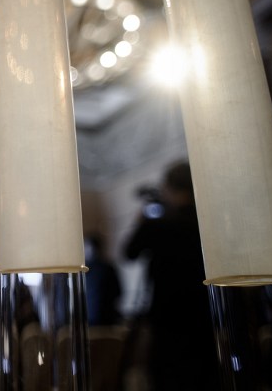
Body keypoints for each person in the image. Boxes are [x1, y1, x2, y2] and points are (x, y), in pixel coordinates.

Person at [123, 160, 219, 391]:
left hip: (166, 319)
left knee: (168, 377)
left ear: (168, 187)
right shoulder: (208, 222)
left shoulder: (158, 226)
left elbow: (129, 253)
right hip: (204, 315)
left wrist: (141, 220)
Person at [84, 234, 123, 326]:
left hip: (87, 319)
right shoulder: (108, 268)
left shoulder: (83, 271)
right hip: (107, 318)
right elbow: (118, 292)